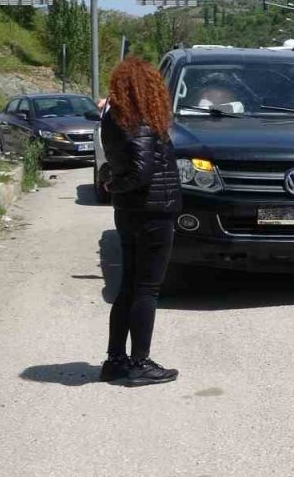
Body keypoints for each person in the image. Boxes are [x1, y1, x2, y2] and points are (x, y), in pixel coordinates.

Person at [98, 57, 182, 386]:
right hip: (153, 212)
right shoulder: (142, 121)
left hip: (130, 213)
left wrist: (111, 182)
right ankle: (139, 363)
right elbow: (140, 172)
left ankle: (115, 361)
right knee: (147, 290)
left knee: (128, 288)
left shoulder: (114, 119)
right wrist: (112, 184)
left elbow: (118, 164)